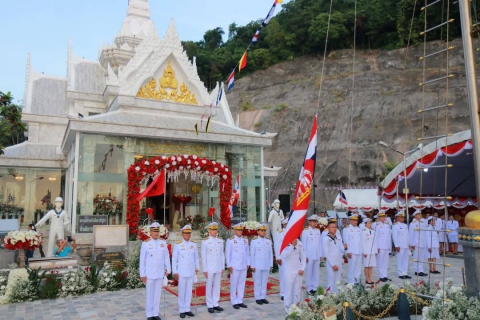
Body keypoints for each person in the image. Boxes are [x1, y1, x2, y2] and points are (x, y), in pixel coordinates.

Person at [139, 222, 171, 320]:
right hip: (149, 273)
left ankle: (155, 313)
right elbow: (142, 260)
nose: (156, 234)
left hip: (159, 272)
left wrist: (168, 269)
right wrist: (142, 274)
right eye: (154, 231)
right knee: (150, 294)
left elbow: (166, 257)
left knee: (157, 294)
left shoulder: (163, 242)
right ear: (150, 232)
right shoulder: (146, 243)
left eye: (157, 231)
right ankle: (149, 314)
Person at [172, 224, 199, 318]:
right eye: (186, 233)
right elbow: (174, 259)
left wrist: (197, 268)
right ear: (182, 234)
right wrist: (175, 271)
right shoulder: (178, 244)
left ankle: (187, 308)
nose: (188, 235)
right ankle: (181, 309)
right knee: (182, 290)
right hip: (182, 272)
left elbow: (196, 258)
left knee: (189, 291)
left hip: (191, 271)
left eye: (189, 233)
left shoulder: (194, 244)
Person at [201, 222, 225, 314]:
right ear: (209, 230)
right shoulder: (205, 241)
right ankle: (209, 304)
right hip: (210, 267)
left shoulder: (220, 240)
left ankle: (216, 303)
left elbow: (222, 255)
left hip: (218, 267)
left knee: (217, 285)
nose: (214, 231)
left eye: (215, 229)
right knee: (209, 286)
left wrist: (223, 267)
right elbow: (203, 256)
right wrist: (205, 269)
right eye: (213, 229)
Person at [226, 223, 250, 310]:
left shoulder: (245, 240)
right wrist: (229, 265)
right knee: (234, 283)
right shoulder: (230, 240)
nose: (240, 232)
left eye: (241, 230)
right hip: (235, 266)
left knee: (241, 283)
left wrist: (248, 263)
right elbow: (228, 254)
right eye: (238, 230)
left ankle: (240, 300)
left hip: (243, 265)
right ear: (235, 231)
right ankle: (234, 300)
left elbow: (247, 253)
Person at [250, 223, 273, 305]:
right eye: (262, 231)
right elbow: (252, 254)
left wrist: (271, 264)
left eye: (264, 230)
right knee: (257, 281)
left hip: (266, 264)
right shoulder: (254, 241)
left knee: (264, 281)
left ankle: (263, 296)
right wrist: (252, 265)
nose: (263, 232)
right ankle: (257, 297)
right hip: (257, 265)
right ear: (258, 232)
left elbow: (270, 253)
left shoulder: (268, 241)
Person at [281, 237, 306, 313]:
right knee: (288, 290)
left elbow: (303, 256)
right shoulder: (285, 242)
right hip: (289, 269)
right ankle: (287, 308)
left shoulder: (299, 243)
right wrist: (292, 245)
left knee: (297, 289)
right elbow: (284, 255)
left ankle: (296, 306)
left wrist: (302, 268)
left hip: (298, 269)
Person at [301, 214, 322, 295]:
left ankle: (315, 287)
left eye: (315, 222)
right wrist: (304, 256)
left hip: (316, 254)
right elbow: (304, 245)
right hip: (309, 255)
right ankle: (309, 288)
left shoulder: (317, 231)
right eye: (313, 221)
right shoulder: (305, 231)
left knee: (316, 272)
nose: (314, 223)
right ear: (309, 222)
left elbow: (319, 244)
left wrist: (320, 254)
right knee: (309, 272)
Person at [322, 219, 344, 293]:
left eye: (335, 227)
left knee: (338, 281)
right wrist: (332, 264)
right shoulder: (326, 239)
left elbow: (341, 249)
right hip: (331, 262)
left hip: (338, 261)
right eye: (332, 227)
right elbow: (326, 253)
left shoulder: (338, 237)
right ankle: (330, 297)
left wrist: (345, 247)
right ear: (328, 228)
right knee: (331, 281)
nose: (334, 229)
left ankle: (337, 296)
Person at [343, 214, 363, 285]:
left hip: (358, 251)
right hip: (352, 251)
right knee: (351, 267)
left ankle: (356, 280)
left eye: (356, 220)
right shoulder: (347, 229)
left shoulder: (358, 229)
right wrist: (348, 251)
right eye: (354, 220)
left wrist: (361, 250)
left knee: (358, 267)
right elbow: (346, 241)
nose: (356, 222)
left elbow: (360, 241)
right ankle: (351, 281)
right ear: (350, 221)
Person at [391, 211, 411, 279]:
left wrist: (409, 244)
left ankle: (405, 273)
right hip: (400, 245)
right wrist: (396, 245)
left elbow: (407, 236)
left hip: (405, 245)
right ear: (397, 218)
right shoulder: (396, 226)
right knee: (400, 259)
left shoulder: (405, 225)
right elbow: (395, 236)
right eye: (401, 217)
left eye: (403, 217)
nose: (402, 218)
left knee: (406, 260)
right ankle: (400, 273)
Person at [409, 210, 428, 276]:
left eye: (420, 214)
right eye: (418, 214)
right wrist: (411, 243)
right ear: (415, 215)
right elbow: (411, 234)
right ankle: (416, 270)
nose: (420, 215)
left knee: (421, 258)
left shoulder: (422, 222)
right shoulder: (413, 223)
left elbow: (424, 233)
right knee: (416, 257)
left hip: (422, 243)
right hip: (416, 243)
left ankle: (420, 270)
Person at [374, 211, 391, 282]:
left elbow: (389, 237)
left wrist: (389, 246)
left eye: (384, 216)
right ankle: (381, 276)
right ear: (379, 218)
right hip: (380, 246)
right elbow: (376, 237)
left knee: (385, 262)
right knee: (380, 262)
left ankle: (385, 275)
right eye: (382, 217)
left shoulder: (387, 225)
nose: (384, 218)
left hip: (386, 246)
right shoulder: (377, 225)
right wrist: (376, 247)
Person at [274, 218, 288, 300]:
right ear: (284, 224)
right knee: (283, 276)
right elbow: (276, 246)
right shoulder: (279, 233)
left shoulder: (292, 232)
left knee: (289, 276)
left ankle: (288, 291)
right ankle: (283, 293)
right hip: (282, 257)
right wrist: (278, 257)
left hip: (290, 258)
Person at [361, 218, 377, 285]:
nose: (370, 224)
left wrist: (375, 250)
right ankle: (367, 278)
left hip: (372, 251)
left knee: (371, 265)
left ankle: (370, 278)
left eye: (370, 223)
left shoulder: (373, 231)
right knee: (366, 265)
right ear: (365, 224)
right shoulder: (363, 231)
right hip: (366, 251)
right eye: (368, 223)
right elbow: (362, 242)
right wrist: (364, 251)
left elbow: (375, 241)